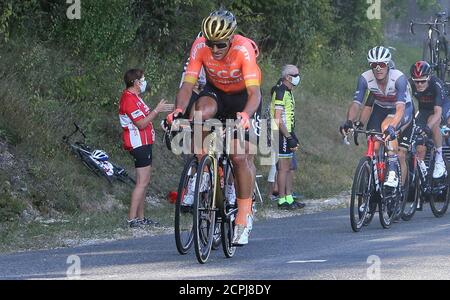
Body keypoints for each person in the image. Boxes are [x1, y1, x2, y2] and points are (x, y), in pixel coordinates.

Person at [166, 9, 262, 245]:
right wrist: (179, 110)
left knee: (239, 156)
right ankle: (205, 171)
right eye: (211, 44)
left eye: (220, 44)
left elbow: (255, 92)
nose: (215, 50)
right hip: (216, 92)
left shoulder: (243, 49)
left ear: (230, 38)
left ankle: (243, 216)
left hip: (243, 98)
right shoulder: (200, 47)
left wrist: (245, 116)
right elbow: (188, 85)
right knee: (198, 113)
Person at [340, 46, 413, 188]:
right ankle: (374, 185)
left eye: (382, 64)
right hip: (381, 108)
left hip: (402, 109)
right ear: (370, 66)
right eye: (374, 65)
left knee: (386, 127)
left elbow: (400, 108)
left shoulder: (398, 78)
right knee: (373, 140)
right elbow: (357, 104)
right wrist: (349, 122)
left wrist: (392, 127)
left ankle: (392, 171)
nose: (378, 68)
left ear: (388, 65)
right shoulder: (364, 78)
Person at [119, 68, 173, 228]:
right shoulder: (128, 99)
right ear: (135, 82)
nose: (144, 82)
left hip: (145, 142)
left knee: (144, 182)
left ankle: (140, 218)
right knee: (141, 183)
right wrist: (157, 110)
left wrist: (160, 110)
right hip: (138, 143)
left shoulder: (136, 97)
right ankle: (131, 219)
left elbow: (145, 115)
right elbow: (141, 124)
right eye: (142, 79)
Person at [270, 64, 304, 209]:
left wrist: (292, 135)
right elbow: (277, 118)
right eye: (296, 75)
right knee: (283, 168)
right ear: (288, 77)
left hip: (287, 132)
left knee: (289, 167)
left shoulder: (289, 92)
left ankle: (289, 197)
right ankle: (282, 199)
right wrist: (288, 137)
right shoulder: (280, 91)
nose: (298, 77)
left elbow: (289, 116)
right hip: (280, 133)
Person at [409, 61, 450, 178]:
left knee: (433, 123)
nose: (420, 84)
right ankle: (421, 172)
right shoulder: (409, 84)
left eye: (423, 81)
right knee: (419, 143)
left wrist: (427, 128)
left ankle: (439, 159)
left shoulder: (436, 84)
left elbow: (438, 113)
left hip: (441, 107)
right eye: (417, 82)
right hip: (424, 110)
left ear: (429, 77)